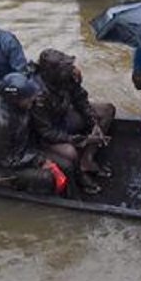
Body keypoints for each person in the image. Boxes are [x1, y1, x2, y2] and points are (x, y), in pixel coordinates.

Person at [0, 73, 67, 195]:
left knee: (65, 164)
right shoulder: (1, 124)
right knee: (46, 177)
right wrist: (40, 161)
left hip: (17, 150)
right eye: (28, 97)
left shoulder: (16, 104)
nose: (32, 99)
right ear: (16, 99)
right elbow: (7, 160)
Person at [28, 48, 115, 194]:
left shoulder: (67, 77)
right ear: (51, 73)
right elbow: (45, 131)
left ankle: (87, 159)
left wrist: (94, 123)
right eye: (64, 68)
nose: (68, 70)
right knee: (70, 153)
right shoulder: (37, 94)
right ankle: (79, 176)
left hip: (63, 117)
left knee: (106, 110)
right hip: (46, 134)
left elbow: (80, 99)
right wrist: (79, 140)